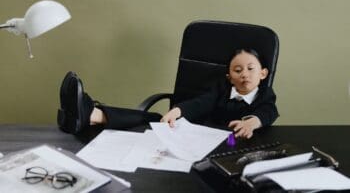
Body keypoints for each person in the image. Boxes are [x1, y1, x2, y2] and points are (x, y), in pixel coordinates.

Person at [57, 48, 279, 139]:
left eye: (251, 68)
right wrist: (178, 110)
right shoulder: (223, 88)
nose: (244, 74)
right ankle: (90, 114)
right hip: (193, 134)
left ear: (263, 73)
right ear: (229, 76)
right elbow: (202, 103)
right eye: (237, 70)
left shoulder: (265, 94)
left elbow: (269, 111)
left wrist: (251, 124)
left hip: (227, 144)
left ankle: (79, 115)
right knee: (153, 120)